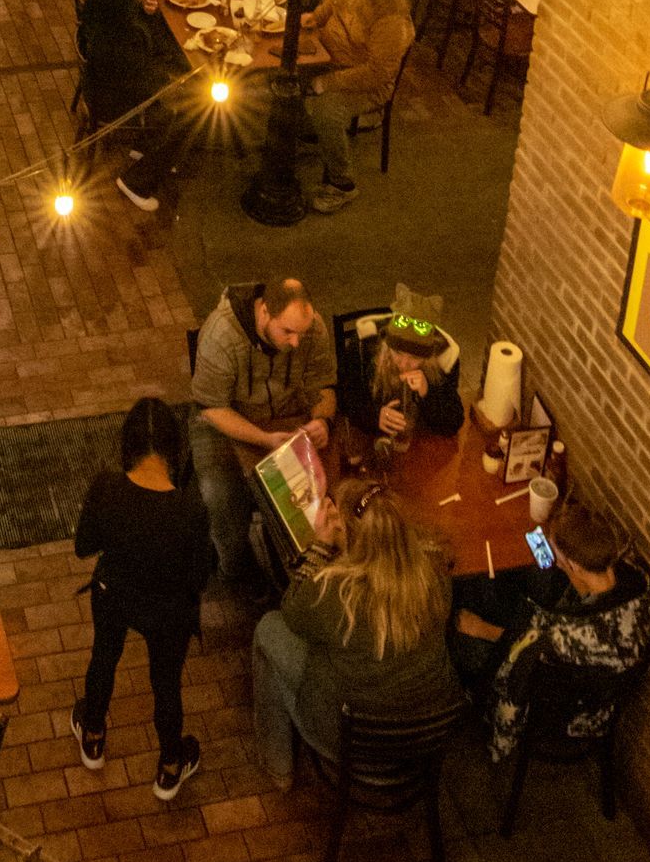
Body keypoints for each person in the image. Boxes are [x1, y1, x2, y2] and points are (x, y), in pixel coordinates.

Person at [250, 475, 458, 788]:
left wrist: (321, 545)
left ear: (354, 538)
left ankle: (278, 766)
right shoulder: (436, 571)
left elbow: (292, 610)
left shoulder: (336, 594)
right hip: (426, 736)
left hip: (351, 741)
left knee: (269, 628)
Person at [71, 397, 217, 802]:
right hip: (169, 613)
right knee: (165, 684)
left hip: (114, 596)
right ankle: (170, 767)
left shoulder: (106, 488)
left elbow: (84, 547)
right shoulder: (190, 509)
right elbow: (199, 576)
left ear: (127, 444)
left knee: (104, 656)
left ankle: (94, 736)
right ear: (174, 447)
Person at [448, 495, 650, 762]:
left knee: (462, 639)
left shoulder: (567, 634)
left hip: (566, 712)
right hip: (588, 676)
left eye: (559, 558)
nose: (555, 559)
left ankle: (467, 705)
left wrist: (478, 628)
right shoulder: (634, 576)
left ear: (573, 565)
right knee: (530, 576)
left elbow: (521, 651)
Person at [188, 277, 336, 586]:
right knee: (221, 499)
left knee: (321, 495)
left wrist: (323, 420)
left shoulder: (312, 328)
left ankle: (304, 573)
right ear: (265, 312)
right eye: (288, 332)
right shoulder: (220, 335)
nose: (296, 342)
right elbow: (211, 406)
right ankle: (237, 568)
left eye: (302, 333)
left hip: (287, 418)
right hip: (226, 421)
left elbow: (323, 384)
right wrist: (263, 439)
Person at [78, 0, 195, 214]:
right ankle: (136, 182)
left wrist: (144, 6)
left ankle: (146, 146)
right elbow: (139, 63)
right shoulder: (124, 33)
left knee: (179, 80)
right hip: (112, 89)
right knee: (187, 106)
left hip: (103, 73)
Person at [299, 0, 414, 198]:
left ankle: (342, 184)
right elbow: (334, 2)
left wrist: (328, 82)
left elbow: (378, 73)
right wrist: (315, 18)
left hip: (364, 82)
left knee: (326, 111)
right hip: (330, 56)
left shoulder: (391, 18)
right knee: (285, 71)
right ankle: (304, 132)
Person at [338, 310, 465, 450]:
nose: (404, 364)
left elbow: (454, 423)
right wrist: (373, 416)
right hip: (371, 440)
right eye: (398, 353)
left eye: (415, 357)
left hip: (418, 445)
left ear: (428, 357)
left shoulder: (445, 358)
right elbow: (344, 399)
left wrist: (428, 393)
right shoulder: (364, 346)